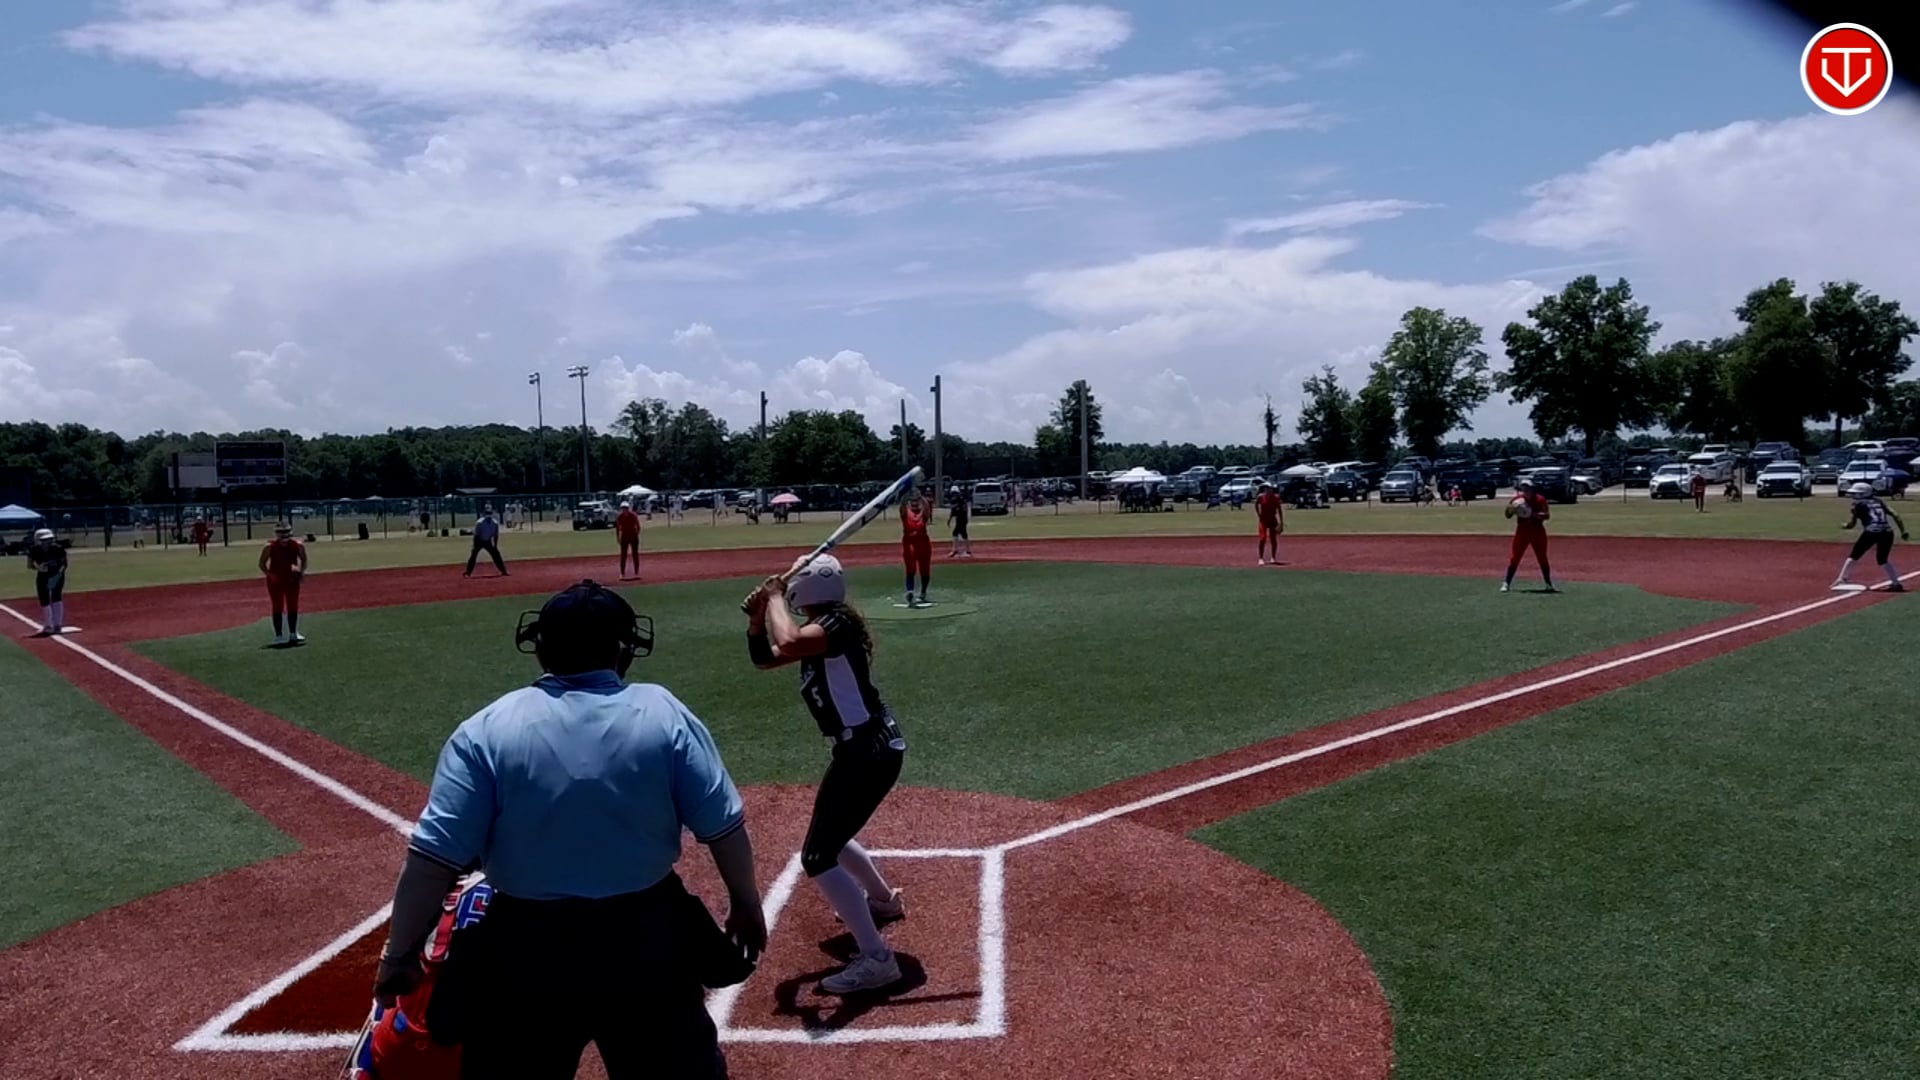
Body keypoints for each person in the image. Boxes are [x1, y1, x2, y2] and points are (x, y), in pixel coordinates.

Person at [373, 581, 766, 1079]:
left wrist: (399, 954)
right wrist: (746, 902)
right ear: (624, 651)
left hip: (526, 948)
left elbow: (433, 860)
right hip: (646, 939)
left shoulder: (488, 727)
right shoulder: (663, 711)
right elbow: (723, 827)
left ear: (541, 648)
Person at [744, 557, 908, 994]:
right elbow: (765, 659)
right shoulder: (822, 630)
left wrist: (775, 597)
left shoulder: (836, 624)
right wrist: (757, 621)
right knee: (829, 836)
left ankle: (877, 959)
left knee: (817, 857)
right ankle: (882, 902)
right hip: (861, 749)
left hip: (867, 750)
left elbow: (790, 640)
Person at [1834, 482, 1909, 592]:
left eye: (1856, 493)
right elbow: (1896, 515)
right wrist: (1903, 531)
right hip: (1887, 532)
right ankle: (1896, 583)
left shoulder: (1858, 505)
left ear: (1863, 494)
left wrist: (1846, 526)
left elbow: (1851, 524)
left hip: (1871, 531)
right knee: (1883, 559)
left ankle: (1842, 579)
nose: (1853, 496)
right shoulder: (1879, 501)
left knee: (1854, 555)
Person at [1502, 479, 1557, 594]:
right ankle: (1506, 583)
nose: (1525, 490)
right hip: (1522, 531)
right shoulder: (1517, 500)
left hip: (1537, 531)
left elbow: (1546, 516)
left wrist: (1532, 514)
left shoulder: (1540, 499)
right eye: (1524, 488)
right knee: (1515, 557)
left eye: (1528, 488)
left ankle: (1548, 584)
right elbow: (1507, 515)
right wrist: (1511, 509)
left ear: (1532, 489)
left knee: (1542, 557)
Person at [258, 523, 308, 645]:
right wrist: (270, 575)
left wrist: (301, 572)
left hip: (292, 580)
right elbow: (262, 564)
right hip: (276, 581)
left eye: (286, 531)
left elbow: (304, 559)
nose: (284, 535)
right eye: (281, 532)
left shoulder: (298, 545)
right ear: (276, 533)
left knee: (293, 605)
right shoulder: (269, 547)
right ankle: (278, 635)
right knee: (277, 606)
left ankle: (293, 633)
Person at [26, 527, 67, 637]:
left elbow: (64, 564)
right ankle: (48, 625)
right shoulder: (34, 550)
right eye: (44, 540)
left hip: (57, 574)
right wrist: (38, 568)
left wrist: (56, 577)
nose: (47, 542)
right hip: (43, 575)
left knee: (56, 597)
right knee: (44, 598)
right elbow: (30, 565)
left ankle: (57, 625)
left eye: (49, 539)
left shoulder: (58, 548)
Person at [900, 492, 934, 607]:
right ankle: (910, 591)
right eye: (912, 502)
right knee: (910, 569)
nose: (914, 504)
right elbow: (902, 506)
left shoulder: (922, 513)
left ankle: (923, 592)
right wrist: (905, 494)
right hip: (909, 543)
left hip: (923, 543)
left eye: (916, 502)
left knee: (925, 570)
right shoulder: (906, 513)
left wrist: (921, 497)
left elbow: (927, 508)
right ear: (909, 503)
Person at [464, 507, 508, 578]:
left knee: (496, 554)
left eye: (490, 513)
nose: (489, 515)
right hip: (479, 541)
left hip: (488, 541)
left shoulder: (495, 523)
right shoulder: (479, 523)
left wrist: (495, 546)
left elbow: (495, 535)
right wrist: (475, 546)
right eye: (487, 513)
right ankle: (468, 573)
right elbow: (476, 535)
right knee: (473, 556)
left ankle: (503, 571)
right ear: (484, 514)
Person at [1254, 482, 1284, 566]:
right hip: (1263, 520)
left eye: (1269, 488)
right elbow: (1256, 505)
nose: (1267, 490)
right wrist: (1258, 514)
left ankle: (1273, 557)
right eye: (1266, 488)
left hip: (1272, 520)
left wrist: (1281, 522)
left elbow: (1279, 510)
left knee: (1273, 539)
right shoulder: (1260, 497)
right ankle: (1261, 558)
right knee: (1262, 538)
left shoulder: (1275, 498)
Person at [615, 500, 643, 581]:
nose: (625, 509)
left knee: (635, 554)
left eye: (626, 508)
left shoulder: (633, 515)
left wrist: (636, 535)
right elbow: (617, 528)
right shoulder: (620, 516)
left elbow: (638, 526)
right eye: (623, 508)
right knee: (623, 555)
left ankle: (636, 573)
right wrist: (618, 537)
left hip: (633, 536)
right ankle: (622, 573)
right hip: (624, 536)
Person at [948, 488, 972, 559]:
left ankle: (966, 551)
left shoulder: (961, 500)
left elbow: (961, 510)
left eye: (955, 493)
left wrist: (954, 515)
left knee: (959, 533)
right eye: (953, 493)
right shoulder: (955, 500)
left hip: (962, 518)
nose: (954, 495)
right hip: (959, 518)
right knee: (958, 533)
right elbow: (953, 511)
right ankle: (962, 550)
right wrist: (950, 518)